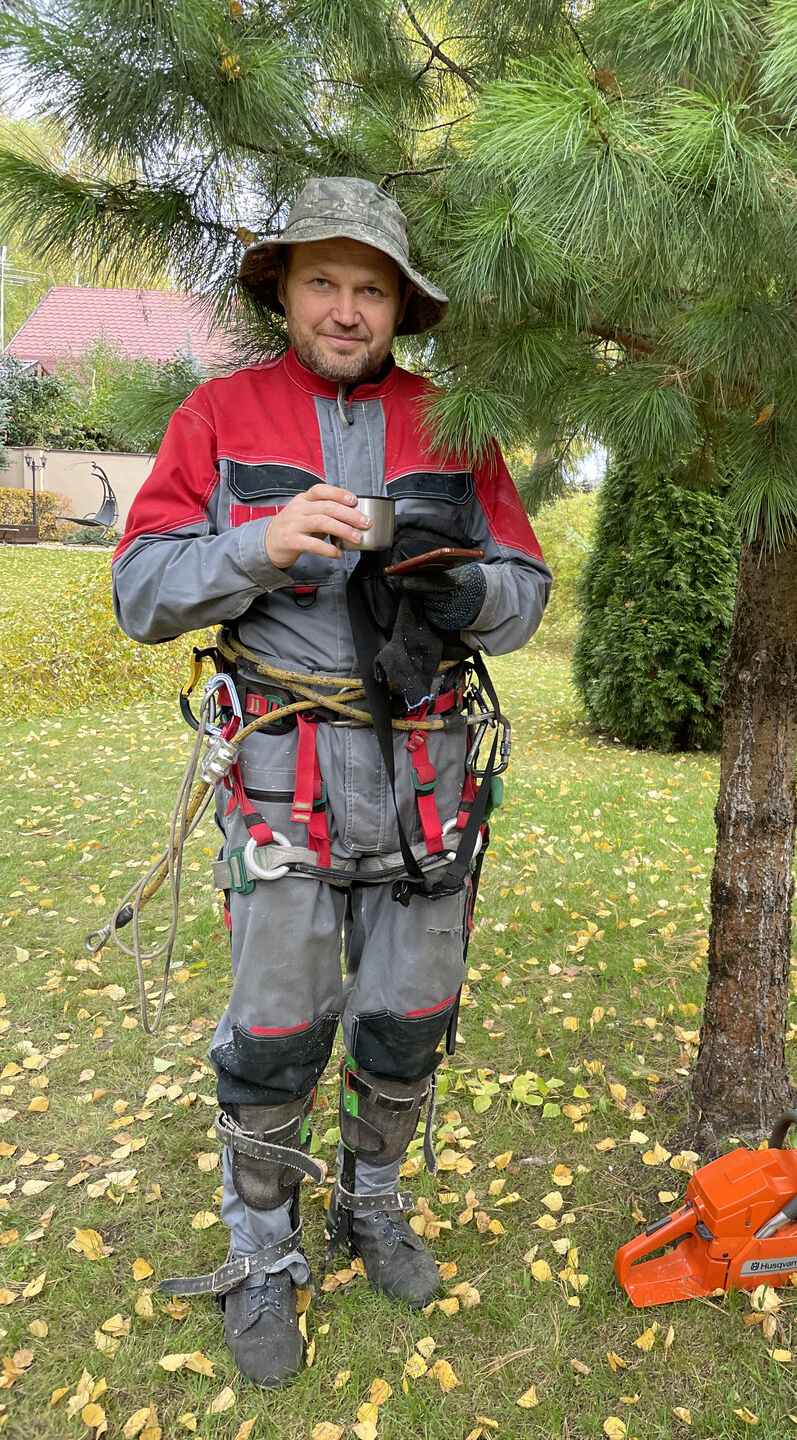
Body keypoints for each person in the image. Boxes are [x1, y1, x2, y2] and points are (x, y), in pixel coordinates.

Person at [112, 177, 551, 1387]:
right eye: (324, 282)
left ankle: (372, 1203)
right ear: (285, 291)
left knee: (407, 1020)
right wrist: (254, 546)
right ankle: (263, 1254)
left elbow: (525, 595)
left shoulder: (456, 426)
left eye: (372, 289)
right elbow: (140, 589)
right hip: (282, 778)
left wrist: (464, 587)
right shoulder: (220, 414)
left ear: (400, 306)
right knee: (274, 1030)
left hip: (428, 780)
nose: (348, 309)